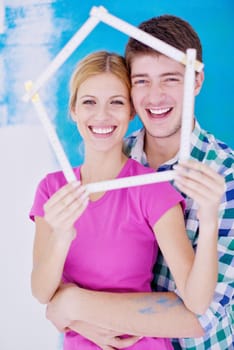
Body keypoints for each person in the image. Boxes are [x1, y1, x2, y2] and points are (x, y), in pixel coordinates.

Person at [45, 15, 233, 350]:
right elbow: (55, 285)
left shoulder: (226, 176)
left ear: (196, 81)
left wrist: (72, 306)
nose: (155, 96)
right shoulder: (112, 154)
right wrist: (73, 314)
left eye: (171, 79)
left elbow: (199, 317)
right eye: (142, 81)